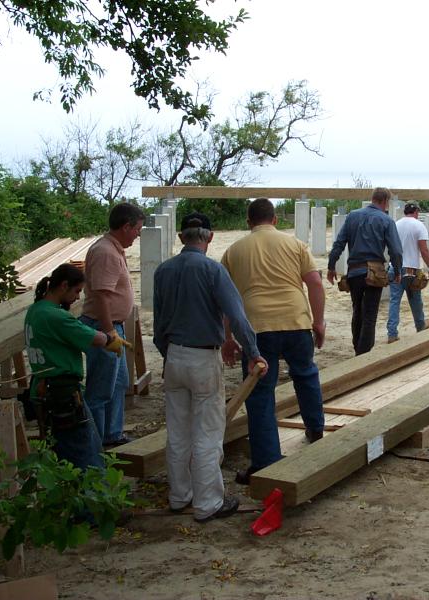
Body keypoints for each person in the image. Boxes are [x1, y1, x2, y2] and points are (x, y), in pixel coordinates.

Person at [153, 212, 268, 523]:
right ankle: (208, 503)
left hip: (174, 355)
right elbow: (237, 316)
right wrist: (253, 352)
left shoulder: (163, 271)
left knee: (178, 431)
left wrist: (168, 357)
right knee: (207, 432)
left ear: (181, 237)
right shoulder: (213, 270)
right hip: (203, 357)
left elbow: (159, 325)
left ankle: (180, 496)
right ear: (210, 237)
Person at [221, 198, 327, 484]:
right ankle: (316, 429)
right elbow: (315, 283)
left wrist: (227, 338)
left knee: (259, 393)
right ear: (275, 219)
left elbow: (227, 300)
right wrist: (318, 322)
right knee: (305, 374)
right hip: (295, 320)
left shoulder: (233, 251)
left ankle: (266, 462)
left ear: (248, 222)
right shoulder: (295, 245)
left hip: (256, 328)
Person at [24, 263, 130, 471]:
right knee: (88, 456)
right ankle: (93, 490)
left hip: (44, 390)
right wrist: (112, 339)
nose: (78, 297)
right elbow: (94, 338)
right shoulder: (56, 317)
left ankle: (68, 489)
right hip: (62, 394)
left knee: (63, 453)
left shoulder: (35, 310)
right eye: (76, 291)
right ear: (64, 286)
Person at [79, 202, 145, 448]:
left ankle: (112, 434)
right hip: (103, 327)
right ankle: (95, 443)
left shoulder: (113, 249)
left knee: (118, 384)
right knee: (100, 390)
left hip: (111, 327)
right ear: (126, 226)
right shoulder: (105, 252)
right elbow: (101, 296)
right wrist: (108, 333)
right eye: (137, 230)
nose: (138, 235)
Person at [327, 187, 402, 355]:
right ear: (385, 201)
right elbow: (396, 250)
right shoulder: (386, 220)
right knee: (369, 315)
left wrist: (331, 266)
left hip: (354, 272)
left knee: (357, 312)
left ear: (373, 198)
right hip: (374, 274)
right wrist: (398, 270)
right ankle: (363, 355)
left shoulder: (352, 216)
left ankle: (357, 350)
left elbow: (339, 243)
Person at [386, 203, 429, 344]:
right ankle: (420, 325)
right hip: (411, 270)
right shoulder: (419, 225)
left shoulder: (396, 225)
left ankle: (392, 333)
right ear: (416, 211)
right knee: (415, 300)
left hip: (395, 268)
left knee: (394, 301)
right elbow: (424, 250)